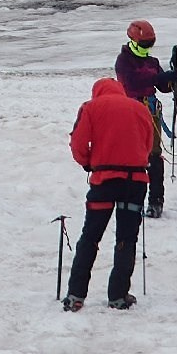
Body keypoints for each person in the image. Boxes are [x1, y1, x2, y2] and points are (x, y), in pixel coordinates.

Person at [64, 76, 154, 312]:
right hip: (135, 181)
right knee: (126, 238)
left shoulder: (90, 107)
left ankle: (76, 295)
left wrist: (88, 163)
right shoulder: (139, 108)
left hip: (104, 180)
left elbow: (78, 144)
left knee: (91, 237)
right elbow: (148, 144)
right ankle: (118, 295)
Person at [113, 21, 177, 219]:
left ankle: (156, 200)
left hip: (151, 112)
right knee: (131, 156)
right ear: (133, 41)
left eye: (149, 45)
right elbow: (133, 81)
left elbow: (162, 86)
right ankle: (130, 199)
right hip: (130, 112)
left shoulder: (152, 62)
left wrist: (172, 79)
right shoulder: (123, 61)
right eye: (144, 44)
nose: (147, 49)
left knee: (154, 155)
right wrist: (160, 79)